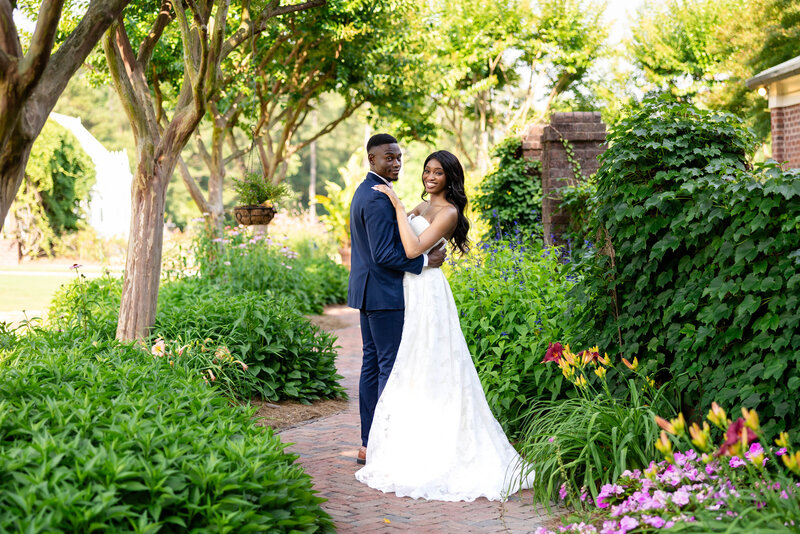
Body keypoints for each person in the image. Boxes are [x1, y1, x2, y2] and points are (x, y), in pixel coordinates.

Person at [355, 150, 534, 502]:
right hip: (411, 287)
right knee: (411, 363)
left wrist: (395, 204)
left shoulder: (448, 212)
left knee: (431, 359)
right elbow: (395, 241)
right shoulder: (421, 208)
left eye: (438, 172)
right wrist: (397, 211)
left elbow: (411, 247)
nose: (430, 177)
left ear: (451, 177)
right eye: (427, 171)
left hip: (429, 292)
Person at [348, 134, 447, 466]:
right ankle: (381, 443)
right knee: (388, 367)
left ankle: (368, 442)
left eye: (399, 157)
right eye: (389, 157)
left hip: (369, 291)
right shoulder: (376, 198)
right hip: (384, 294)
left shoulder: (368, 192)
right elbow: (383, 254)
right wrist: (424, 262)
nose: (396, 163)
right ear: (372, 160)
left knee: (373, 365)